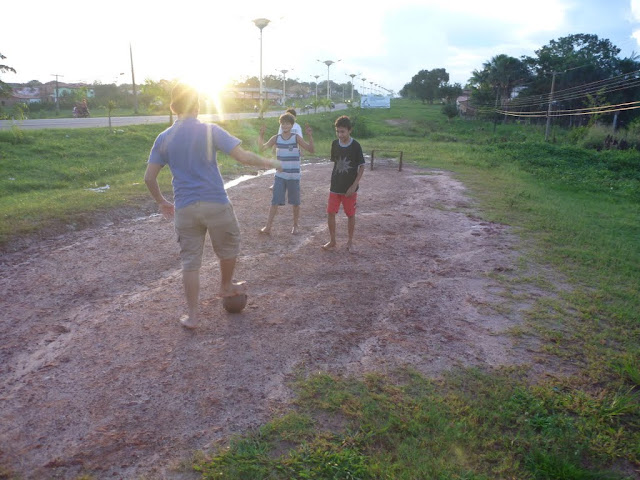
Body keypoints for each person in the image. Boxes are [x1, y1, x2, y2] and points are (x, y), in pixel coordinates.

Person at [144, 82, 281, 329]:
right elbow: (243, 157)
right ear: (197, 106)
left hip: (185, 208)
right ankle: (226, 285)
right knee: (228, 248)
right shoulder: (210, 130)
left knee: (190, 263)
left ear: (173, 107)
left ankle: (193, 316)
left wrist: (162, 201)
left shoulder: (164, 138)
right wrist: (270, 162)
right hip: (215, 202)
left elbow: (149, 178)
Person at [258, 112, 314, 235]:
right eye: (283, 123)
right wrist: (261, 134)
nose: (285, 126)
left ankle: (295, 225)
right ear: (280, 124)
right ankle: (268, 226)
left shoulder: (296, 138)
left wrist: (310, 136)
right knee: (274, 201)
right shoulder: (276, 138)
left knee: (295, 203)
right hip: (280, 175)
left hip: (294, 176)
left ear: (292, 125)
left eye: (287, 123)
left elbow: (311, 150)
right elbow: (261, 148)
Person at [322, 115, 365, 253]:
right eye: (338, 131)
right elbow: (336, 163)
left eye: (343, 132)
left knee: (350, 214)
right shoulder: (334, 144)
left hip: (349, 189)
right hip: (335, 187)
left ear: (349, 130)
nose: (340, 135)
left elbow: (362, 167)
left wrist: (354, 185)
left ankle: (350, 241)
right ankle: (332, 240)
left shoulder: (356, 146)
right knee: (330, 212)